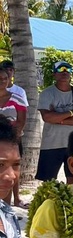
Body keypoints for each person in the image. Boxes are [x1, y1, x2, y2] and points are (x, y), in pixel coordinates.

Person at [36, 62, 73, 183]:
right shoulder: (46, 93)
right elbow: (47, 117)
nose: (64, 72)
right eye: (60, 69)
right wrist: (71, 113)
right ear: (54, 74)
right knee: (48, 181)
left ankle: (72, 202)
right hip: (51, 143)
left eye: (68, 69)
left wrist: (58, 118)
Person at [0, 61, 28, 209]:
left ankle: (6, 210)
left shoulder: (17, 97)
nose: (3, 81)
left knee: (8, 176)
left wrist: (11, 141)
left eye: (5, 79)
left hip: (12, 141)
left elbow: (21, 121)